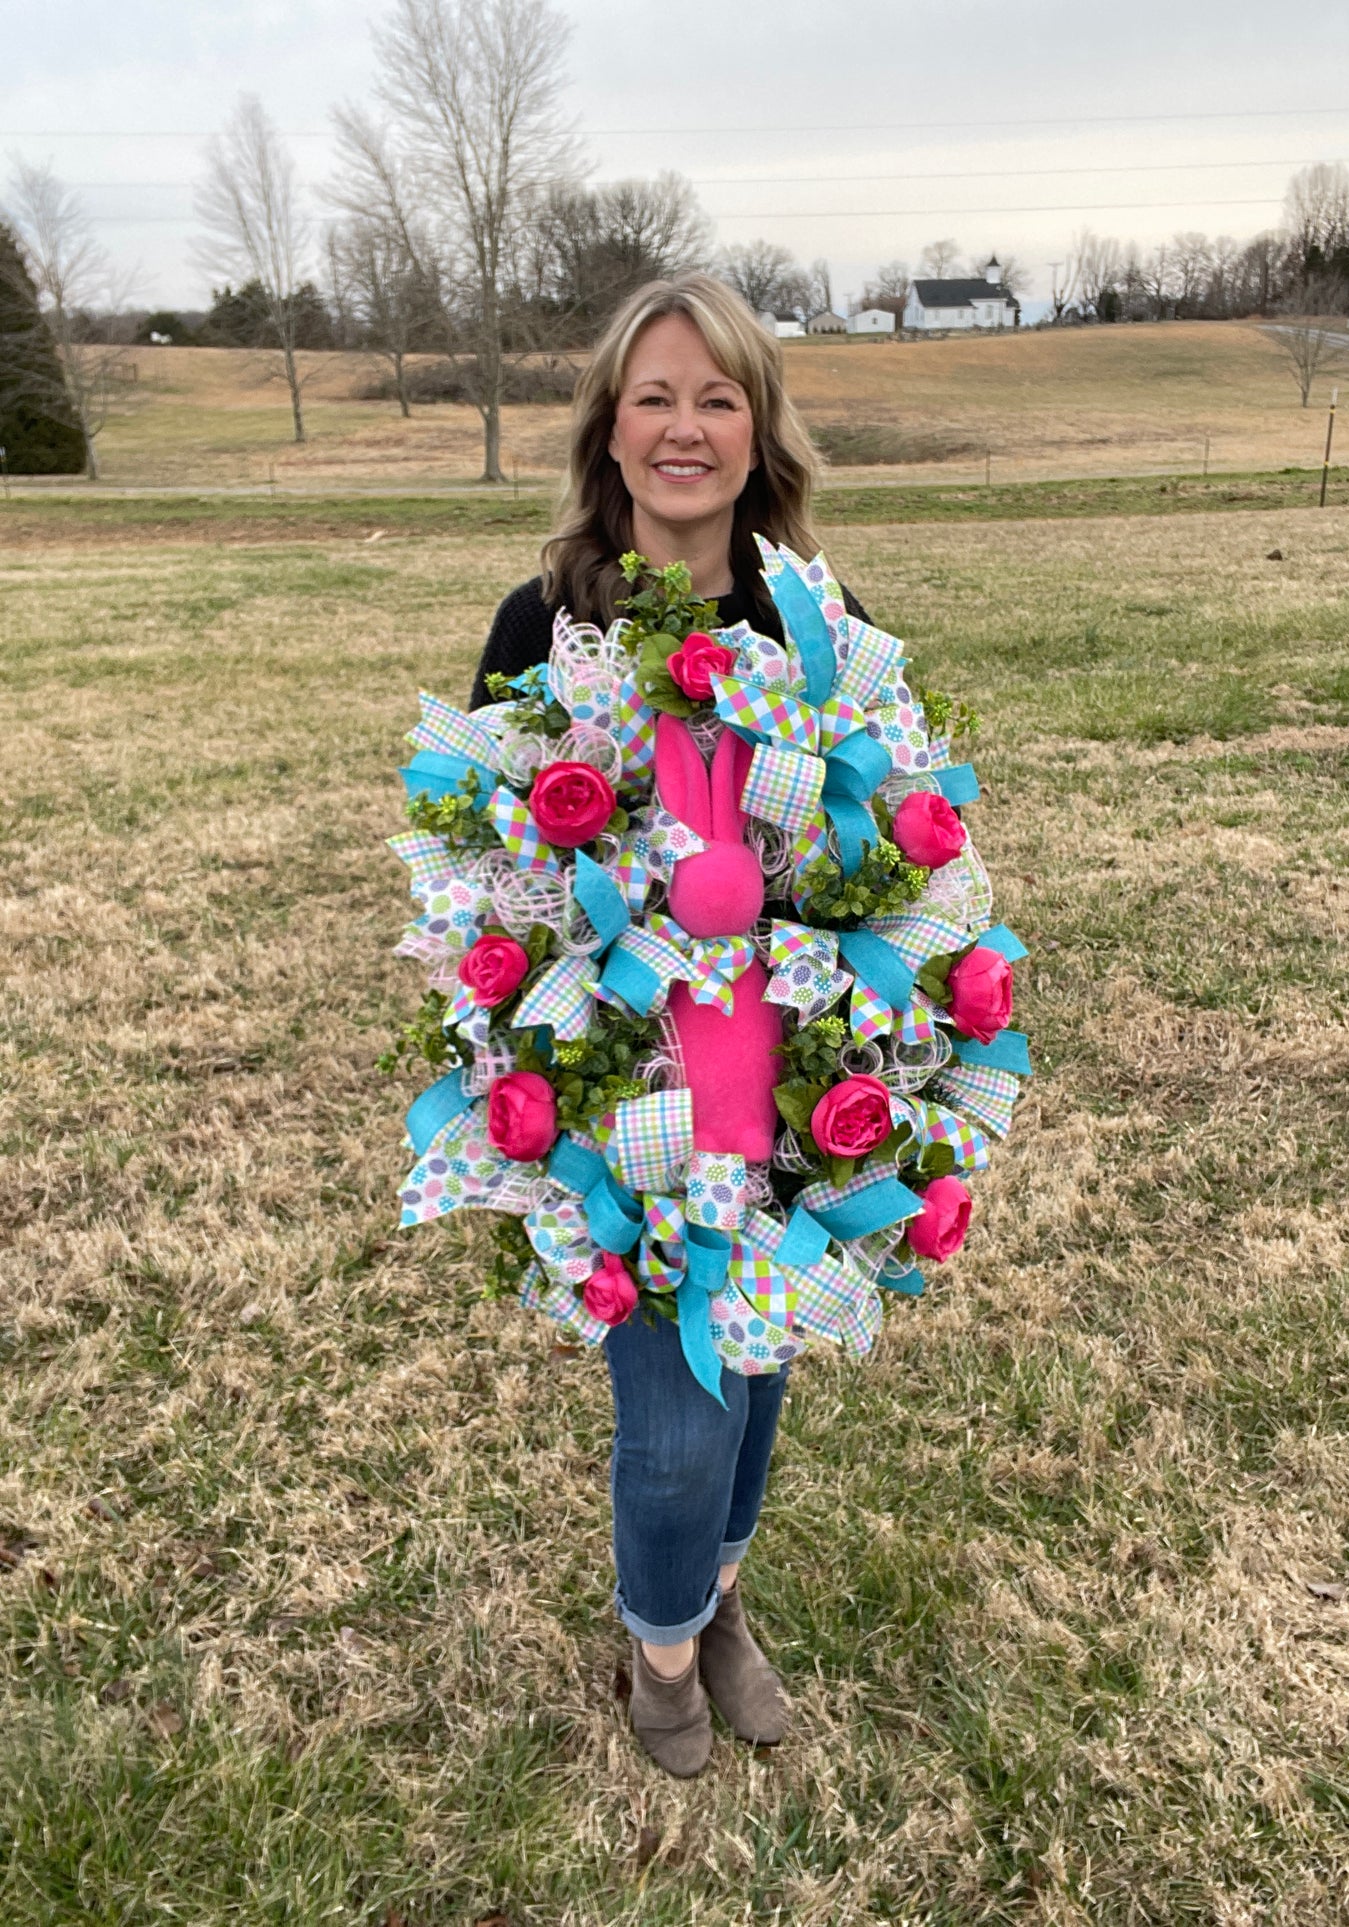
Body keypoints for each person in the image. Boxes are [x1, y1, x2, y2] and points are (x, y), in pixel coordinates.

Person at [471, 273, 870, 1777]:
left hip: (791, 1089)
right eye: (654, 396)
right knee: (683, 1406)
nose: (685, 426)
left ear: (760, 431)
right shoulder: (544, 618)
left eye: (718, 397)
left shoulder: (814, 623)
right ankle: (659, 1649)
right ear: (609, 430)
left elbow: (893, 833)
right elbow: (485, 883)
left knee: (754, 1375)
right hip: (624, 1104)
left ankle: (716, 1599)